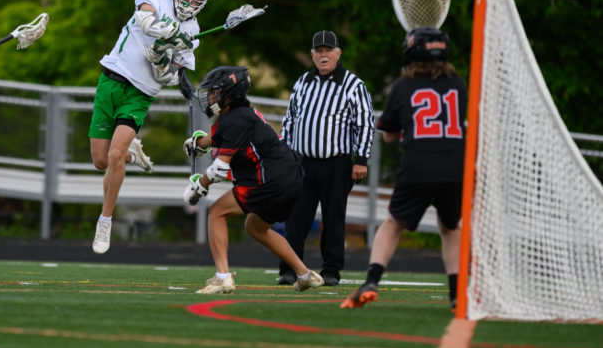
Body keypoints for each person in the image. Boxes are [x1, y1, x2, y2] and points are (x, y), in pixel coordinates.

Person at [342, 27, 466, 310]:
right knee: (449, 228)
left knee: (393, 224)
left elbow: (388, 133)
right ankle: (457, 293)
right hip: (454, 167)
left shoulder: (403, 85)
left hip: (418, 165)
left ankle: (372, 280)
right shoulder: (457, 83)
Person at [90, 0, 211, 254]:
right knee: (100, 161)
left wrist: (163, 61)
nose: (190, 0)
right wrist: (164, 33)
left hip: (140, 93)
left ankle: (104, 220)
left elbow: (170, 76)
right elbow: (144, 19)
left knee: (114, 154)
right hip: (112, 78)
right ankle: (135, 155)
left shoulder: (194, 32)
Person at [183, 66, 324, 294]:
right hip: (290, 178)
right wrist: (196, 144)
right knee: (255, 227)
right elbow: (214, 138)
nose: (209, 97)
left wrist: (199, 186)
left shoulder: (234, 120)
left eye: (214, 92)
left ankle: (222, 277)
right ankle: (305, 274)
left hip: (270, 180)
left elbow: (219, 169)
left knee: (217, 212)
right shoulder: (237, 115)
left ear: (229, 92)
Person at [277, 30, 375, 287]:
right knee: (296, 218)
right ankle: (290, 269)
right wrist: (285, 155)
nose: (323, 55)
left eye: (328, 50)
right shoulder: (302, 83)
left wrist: (361, 159)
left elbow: (364, 123)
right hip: (303, 162)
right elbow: (290, 121)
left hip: (337, 163)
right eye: (318, 51)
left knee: (333, 219)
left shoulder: (353, 85)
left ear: (338, 53)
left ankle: (332, 270)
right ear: (312, 55)